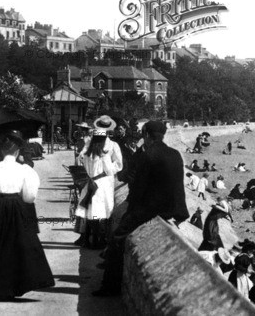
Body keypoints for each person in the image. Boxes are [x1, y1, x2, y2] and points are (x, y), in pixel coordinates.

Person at [92, 121, 189, 297]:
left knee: (118, 236)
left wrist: (132, 210)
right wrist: (180, 211)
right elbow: (178, 187)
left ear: (146, 135)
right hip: (174, 208)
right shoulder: (175, 154)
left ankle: (109, 286)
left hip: (151, 208)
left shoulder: (148, 155)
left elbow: (138, 189)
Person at [0, 129, 54, 301]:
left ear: (1, 151)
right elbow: (29, 197)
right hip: (18, 208)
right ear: (17, 150)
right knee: (20, 246)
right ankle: (18, 286)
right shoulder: (25, 170)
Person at [75, 115, 123, 249]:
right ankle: (98, 241)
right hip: (103, 183)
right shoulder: (112, 146)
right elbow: (117, 166)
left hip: (91, 181)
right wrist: (109, 167)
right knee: (102, 212)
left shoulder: (89, 146)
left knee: (92, 212)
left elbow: (82, 158)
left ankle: (90, 239)